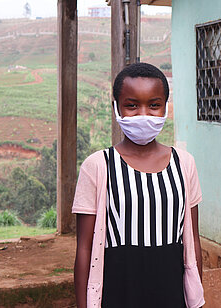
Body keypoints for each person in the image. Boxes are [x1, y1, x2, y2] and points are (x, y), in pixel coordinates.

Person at [72, 62, 205, 308]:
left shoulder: (184, 164)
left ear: (166, 107)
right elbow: (84, 249)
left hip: (171, 293)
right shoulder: (98, 166)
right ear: (116, 107)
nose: (143, 114)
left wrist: (195, 298)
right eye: (132, 105)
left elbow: (192, 241)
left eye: (154, 105)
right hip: (118, 293)